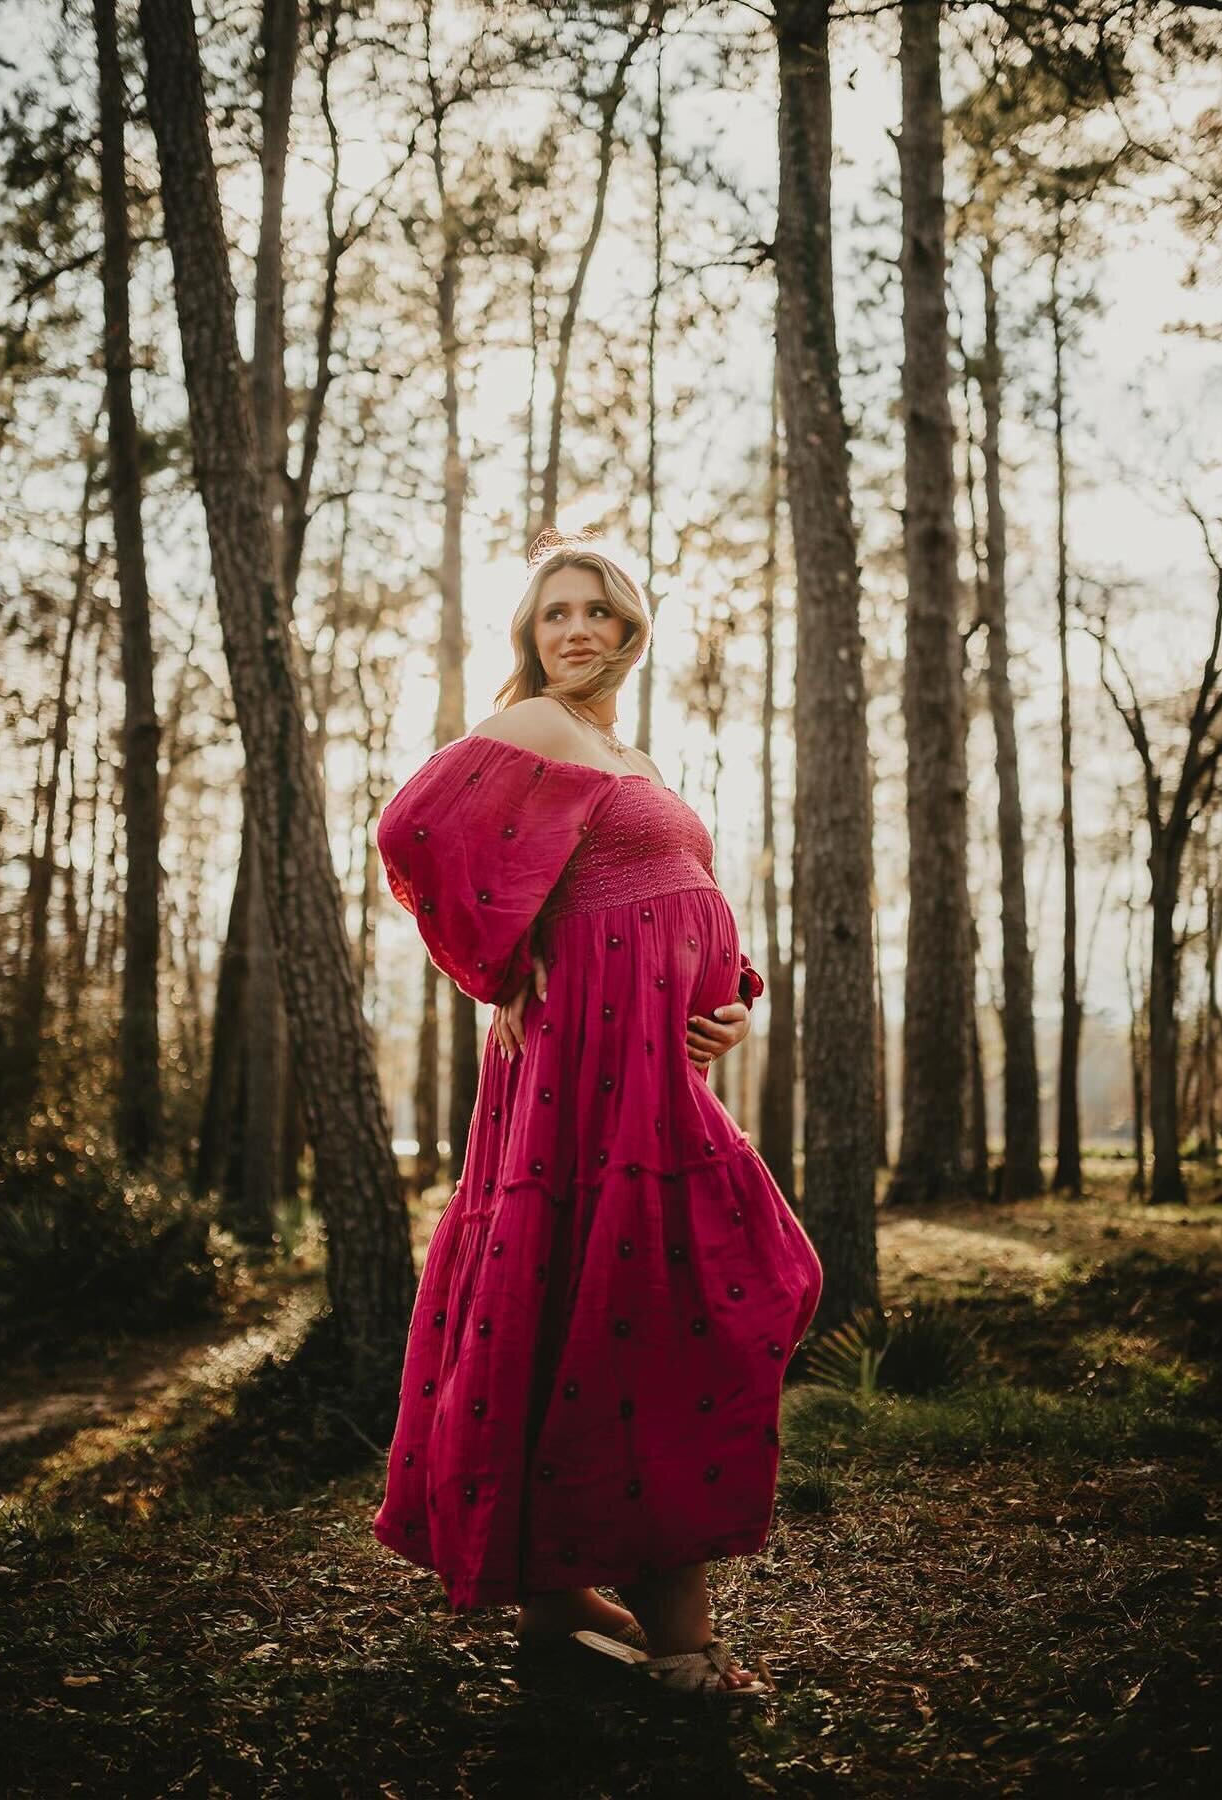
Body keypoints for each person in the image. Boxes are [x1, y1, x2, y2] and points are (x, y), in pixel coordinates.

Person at [372, 536, 822, 1700]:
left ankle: (561, 1596)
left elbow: (671, 900)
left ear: (632, 630)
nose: (575, 631)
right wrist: (499, 967)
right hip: (581, 1076)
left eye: (597, 612)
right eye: (554, 613)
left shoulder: (622, 752)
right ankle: (672, 1642)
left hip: (650, 1074)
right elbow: (410, 829)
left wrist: (726, 1003)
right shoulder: (534, 728)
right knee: (655, 1310)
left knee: (628, 1301)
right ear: (530, 634)